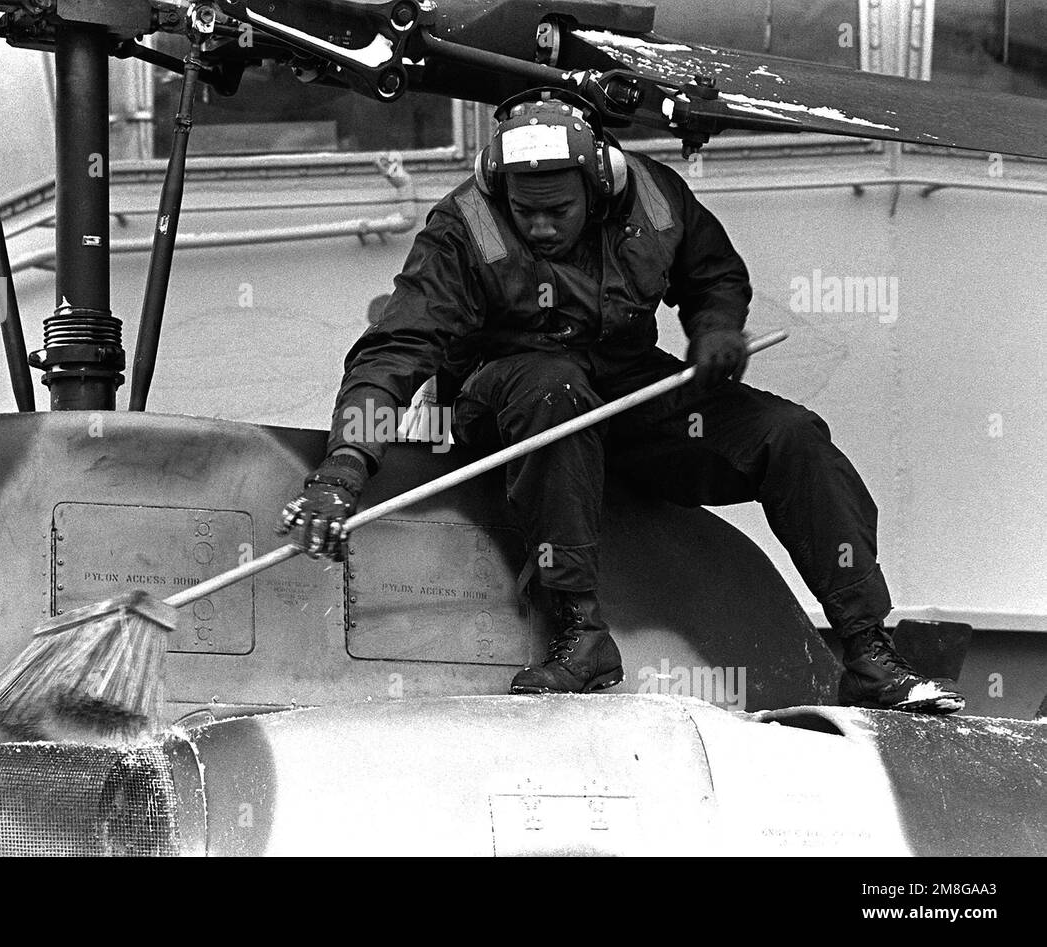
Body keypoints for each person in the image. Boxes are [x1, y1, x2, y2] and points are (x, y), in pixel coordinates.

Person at [277, 87, 964, 714]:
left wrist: (715, 329)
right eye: (527, 210)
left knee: (792, 434)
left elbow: (713, 272)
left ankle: (870, 651)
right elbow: (393, 352)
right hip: (506, 407)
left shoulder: (652, 198)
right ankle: (579, 632)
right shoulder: (463, 228)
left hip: (626, 390)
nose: (541, 226)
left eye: (558, 210)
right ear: (498, 187)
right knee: (552, 387)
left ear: (598, 184)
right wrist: (341, 470)